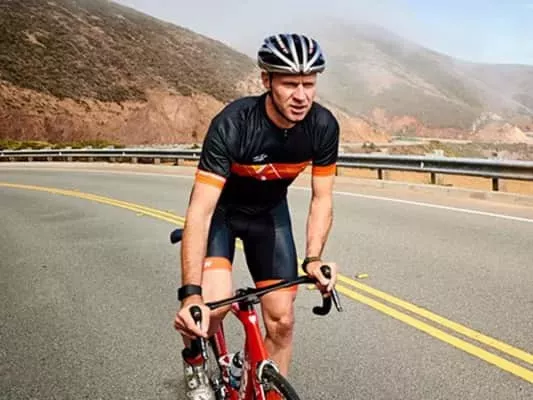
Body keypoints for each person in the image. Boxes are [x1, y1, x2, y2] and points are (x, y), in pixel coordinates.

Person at [173, 32, 340, 399]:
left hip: (269, 216)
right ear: (266, 80)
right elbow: (200, 211)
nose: (301, 96)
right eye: (290, 84)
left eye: (309, 84)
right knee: (211, 308)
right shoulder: (233, 124)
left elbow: (322, 198)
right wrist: (190, 295)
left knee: (282, 320)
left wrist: (313, 258)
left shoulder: (323, 126)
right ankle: (195, 362)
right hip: (222, 215)